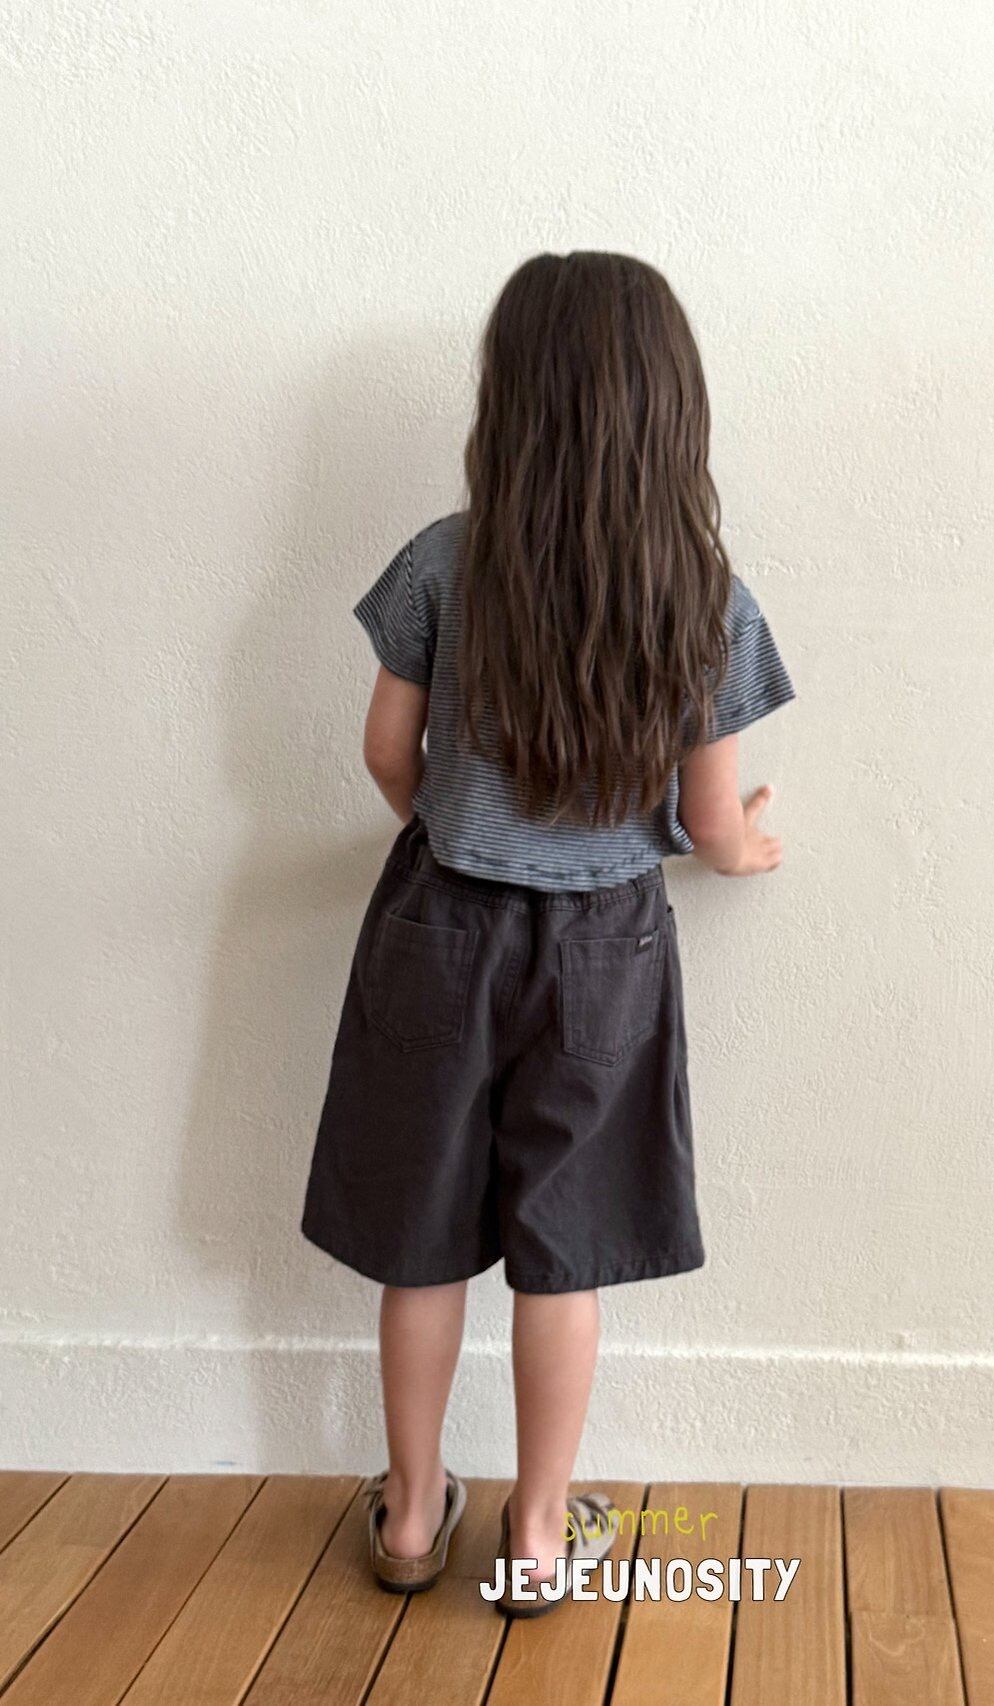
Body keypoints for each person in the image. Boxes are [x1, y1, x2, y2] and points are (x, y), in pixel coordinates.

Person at [299, 250, 796, 1617]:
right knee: (563, 1249)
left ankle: (412, 1515)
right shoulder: (702, 592)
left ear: (507, 397)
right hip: (604, 954)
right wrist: (744, 844)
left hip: (438, 930)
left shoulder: (444, 559)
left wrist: (451, 819)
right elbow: (707, 814)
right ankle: (533, 1534)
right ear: (669, 409)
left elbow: (385, 750)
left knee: (422, 1235)